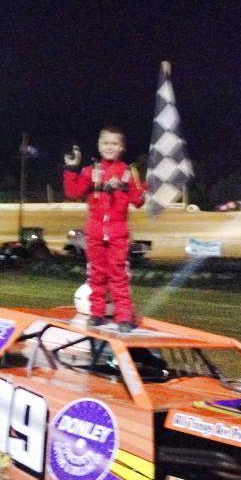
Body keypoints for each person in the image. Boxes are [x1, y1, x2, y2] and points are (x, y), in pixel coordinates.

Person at [63, 126, 145, 332]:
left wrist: (137, 187)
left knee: (119, 275)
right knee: (97, 275)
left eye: (114, 144)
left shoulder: (128, 172)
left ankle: (123, 317)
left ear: (122, 147)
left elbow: (138, 201)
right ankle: (97, 314)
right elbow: (73, 193)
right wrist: (71, 169)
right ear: (99, 146)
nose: (110, 147)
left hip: (118, 233)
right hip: (95, 232)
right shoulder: (89, 171)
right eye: (106, 143)